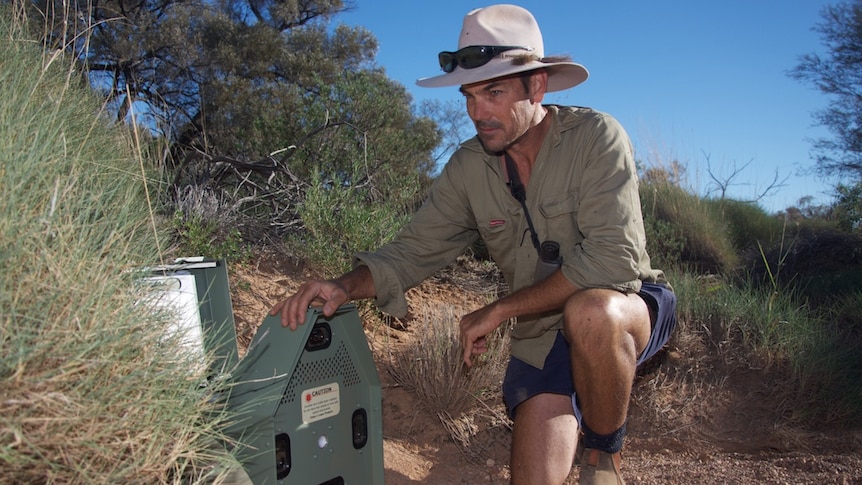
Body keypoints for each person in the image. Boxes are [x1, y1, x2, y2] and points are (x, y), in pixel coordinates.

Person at [270, 4, 677, 485]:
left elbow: (612, 259)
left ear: (537, 86)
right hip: (540, 337)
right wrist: (342, 286)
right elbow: (413, 250)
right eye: (469, 95)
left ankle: (602, 459)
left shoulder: (596, 137)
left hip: (625, 308)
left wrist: (501, 309)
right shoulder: (468, 167)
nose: (477, 111)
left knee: (591, 313)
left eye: (495, 91)